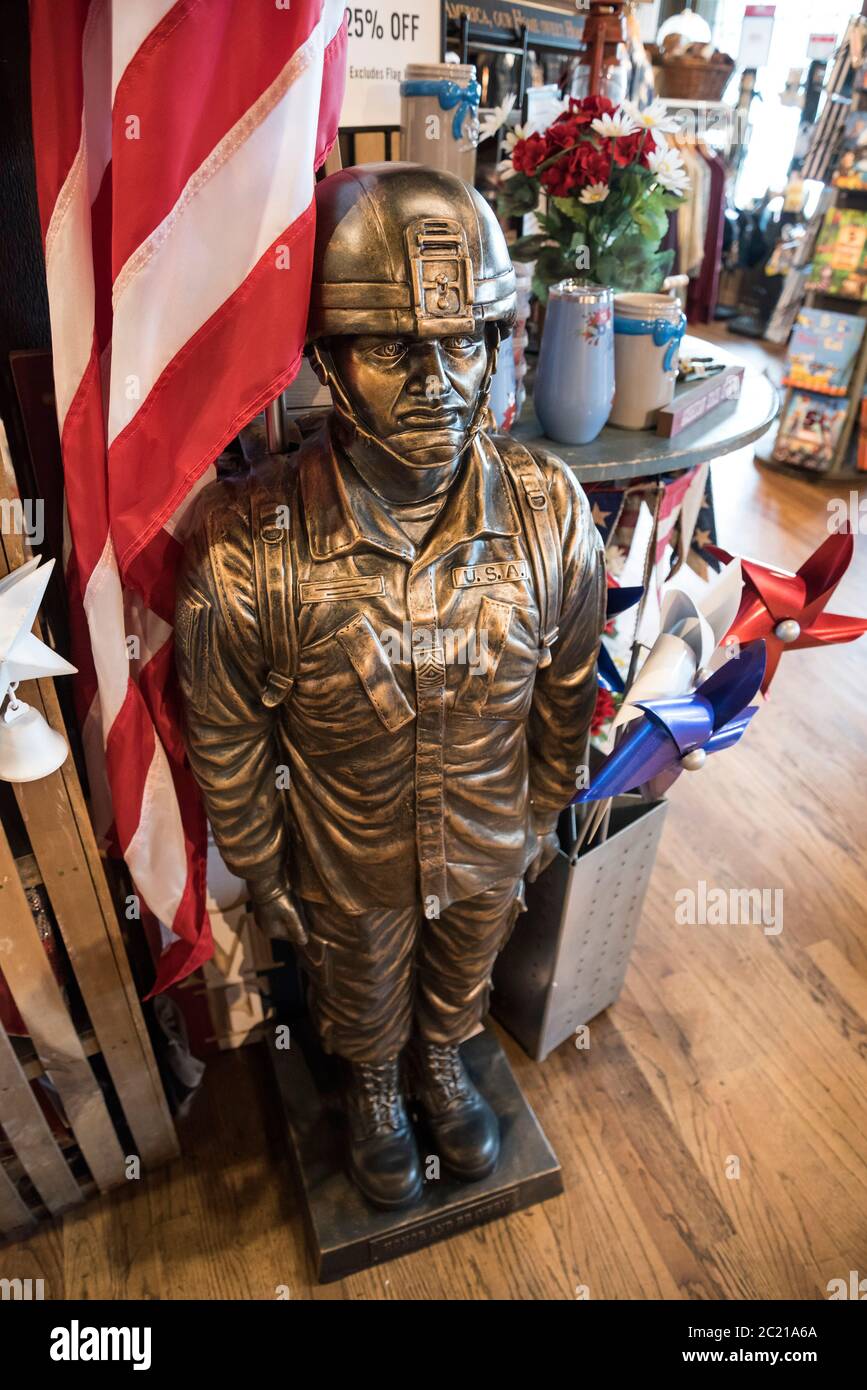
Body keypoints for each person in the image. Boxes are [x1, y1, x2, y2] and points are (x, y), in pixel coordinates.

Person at [176, 164, 605, 1209]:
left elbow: (569, 687)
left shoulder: (552, 512)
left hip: (486, 839)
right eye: (391, 349)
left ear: (498, 346)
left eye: (462, 342)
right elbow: (226, 738)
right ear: (326, 357)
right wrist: (264, 866)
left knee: (462, 968)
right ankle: (373, 1081)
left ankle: (443, 1057)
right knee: (359, 983)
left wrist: (546, 804)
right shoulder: (246, 547)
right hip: (346, 856)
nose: (439, 382)